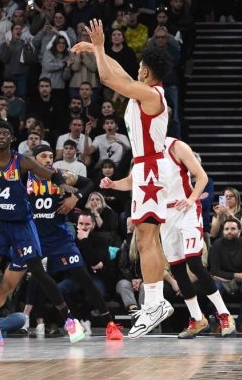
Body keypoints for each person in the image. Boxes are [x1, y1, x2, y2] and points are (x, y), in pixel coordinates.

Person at [70, 19, 175, 337]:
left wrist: (100, 47)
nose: (136, 70)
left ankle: (155, 303)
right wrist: (96, 50)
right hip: (145, 167)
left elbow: (106, 77)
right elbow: (120, 75)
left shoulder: (151, 95)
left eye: (140, 66)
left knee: (145, 238)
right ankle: (156, 303)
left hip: (151, 168)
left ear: (147, 71)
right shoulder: (144, 91)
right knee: (147, 238)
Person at [0, 121, 86, 346]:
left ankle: (70, 320)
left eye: (6, 133)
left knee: (37, 271)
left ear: (11, 138)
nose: (1, 136)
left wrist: (61, 184)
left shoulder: (22, 161)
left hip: (21, 224)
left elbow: (49, 173)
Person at [103, 136, 235, 338]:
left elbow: (202, 177)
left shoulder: (176, 146)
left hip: (186, 209)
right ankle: (197, 318)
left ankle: (224, 314)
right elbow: (132, 181)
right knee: (177, 268)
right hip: (165, 213)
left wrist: (191, 199)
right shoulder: (142, 151)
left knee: (194, 262)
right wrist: (113, 184)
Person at [28, 143, 123, 340]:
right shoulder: (24, 177)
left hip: (60, 238)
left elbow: (89, 183)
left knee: (83, 276)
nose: (48, 160)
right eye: (43, 156)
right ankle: (48, 322)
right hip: (35, 238)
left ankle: (110, 324)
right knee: (37, 281)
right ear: (33, 159)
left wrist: (75, 198)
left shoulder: (62, 175)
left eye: (51, 156)